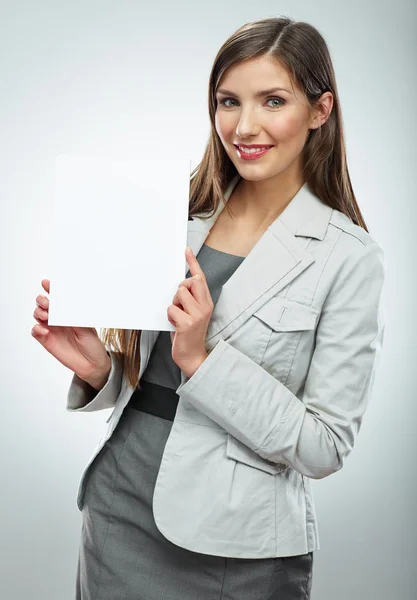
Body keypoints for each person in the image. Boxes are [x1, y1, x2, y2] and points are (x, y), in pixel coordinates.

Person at [32, 16, 386, 600]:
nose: (244, 126)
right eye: (228, 101)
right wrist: (99, 370)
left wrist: (203, 359)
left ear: (321, 110)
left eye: (273, 100)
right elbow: (153, 390)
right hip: (118, 513)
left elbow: (325, 445)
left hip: (236, 547)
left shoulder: (349, 258)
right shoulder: (178, 216)